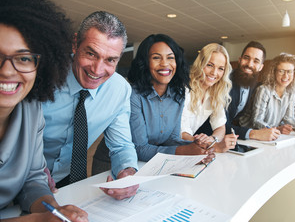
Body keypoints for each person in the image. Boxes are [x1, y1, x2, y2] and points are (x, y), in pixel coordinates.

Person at [0, 0, 87, 221]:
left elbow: (33, 179)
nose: (7, 71)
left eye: (24, 58)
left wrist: (53, 209)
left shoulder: (31, 109)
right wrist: (40, 220)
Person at [42, 11, 138, 200]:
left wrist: (127, 173)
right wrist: (30, 169)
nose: (97, 70)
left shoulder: (119, 89)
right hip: (16, 178)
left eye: (110, 60)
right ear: (75, 43)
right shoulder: (42, 77)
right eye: (91, 54)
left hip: (68, 182)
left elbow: (121, 146)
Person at [91, 34, 214, 173]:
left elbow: (171, 139)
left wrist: (197, 147)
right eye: (156, 57)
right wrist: (186, 151)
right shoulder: (133, 95)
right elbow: (140, 148)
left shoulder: (178, 96)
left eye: (170, 57)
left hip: (149, 164)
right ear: (145, 62)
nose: (165, 64)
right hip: (113, 165)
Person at [238, 53, 295, 134]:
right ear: (274, 72)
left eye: (289, 72)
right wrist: (277, 129)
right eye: (281, 71)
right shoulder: (264, 90)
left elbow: (289, 118)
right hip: (249, 134)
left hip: (270, 135)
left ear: (294, 73)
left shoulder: (291, 92)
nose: (285, 76)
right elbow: (256, 121)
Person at [181, 43, 238, 152]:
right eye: (210, 65)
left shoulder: (215, 93)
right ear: (200, 63)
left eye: (221, 68)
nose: (214, 73)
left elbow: (220, 127)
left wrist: (212, 139)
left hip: (192, 147)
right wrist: (211, 146)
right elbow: (182, 133)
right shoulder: (185, 89)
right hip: (171, 148)